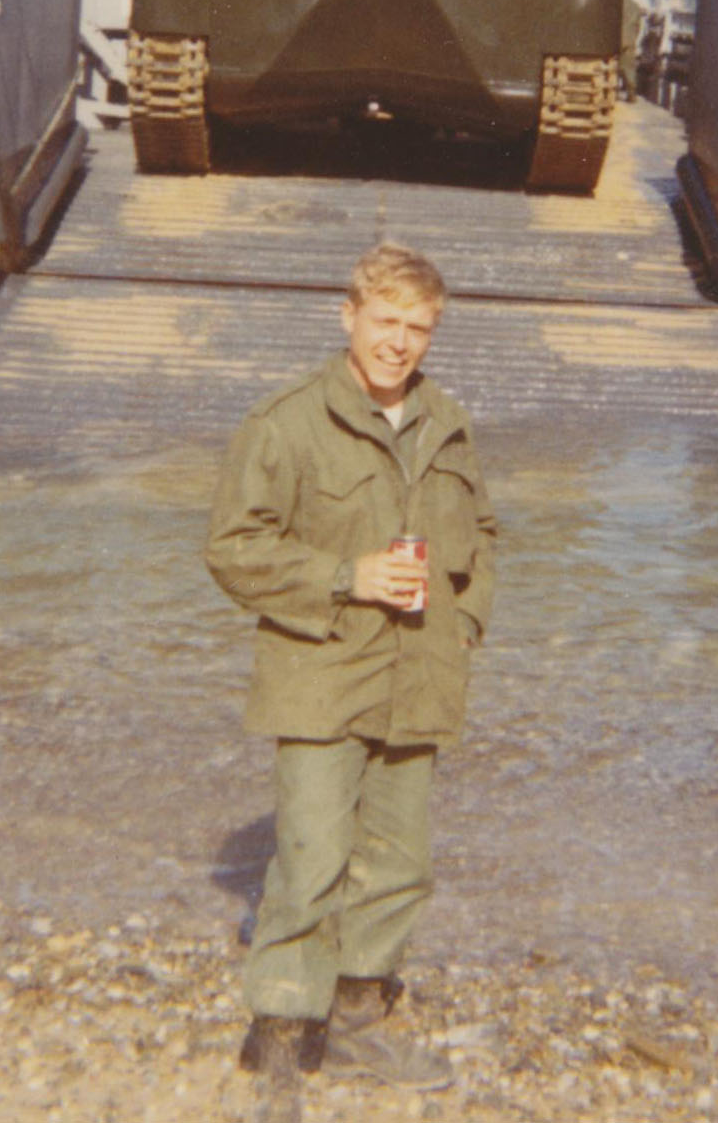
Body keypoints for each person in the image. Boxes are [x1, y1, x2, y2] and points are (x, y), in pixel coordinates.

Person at [207, 243, 496, 1110]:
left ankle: (361, 1013)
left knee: (402, 858)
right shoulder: (287, 421)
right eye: (385, 322)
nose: (399, 343)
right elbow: (232, 548)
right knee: (312, 855)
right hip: (322, 674)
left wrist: (466, 624)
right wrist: (347, 576)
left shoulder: (447, 419)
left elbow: (483, 535)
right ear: (349, 316)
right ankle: (286, 1035)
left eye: (417, 328)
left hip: (421, 676)